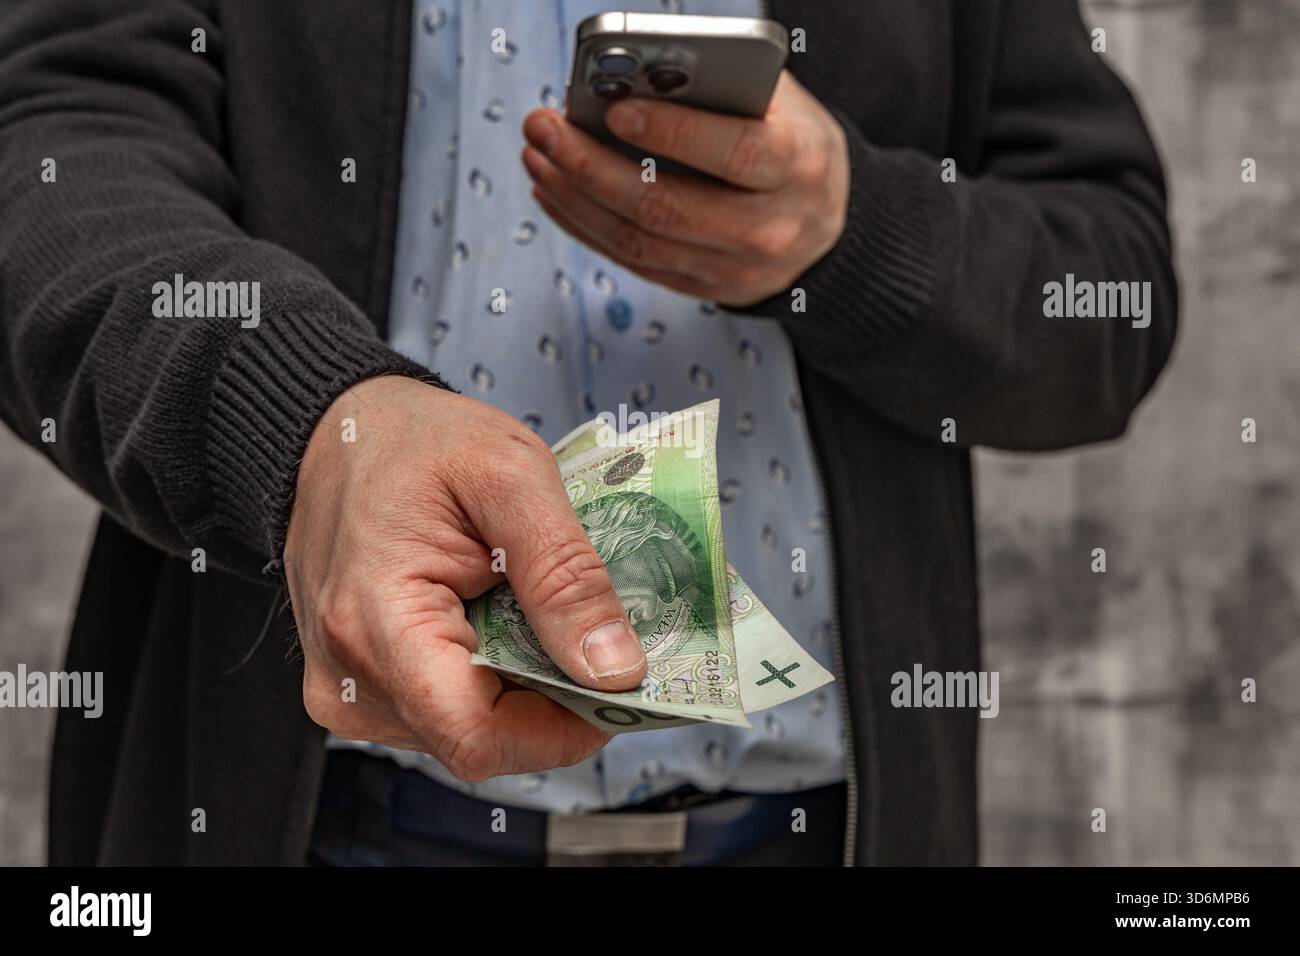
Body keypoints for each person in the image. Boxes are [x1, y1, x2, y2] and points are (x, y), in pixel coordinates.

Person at [0, 0, 1176, 866]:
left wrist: (860, 239)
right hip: (319, 813)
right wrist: (305, 413)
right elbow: (48, 163)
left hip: (828, 823)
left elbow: (1112, 288)